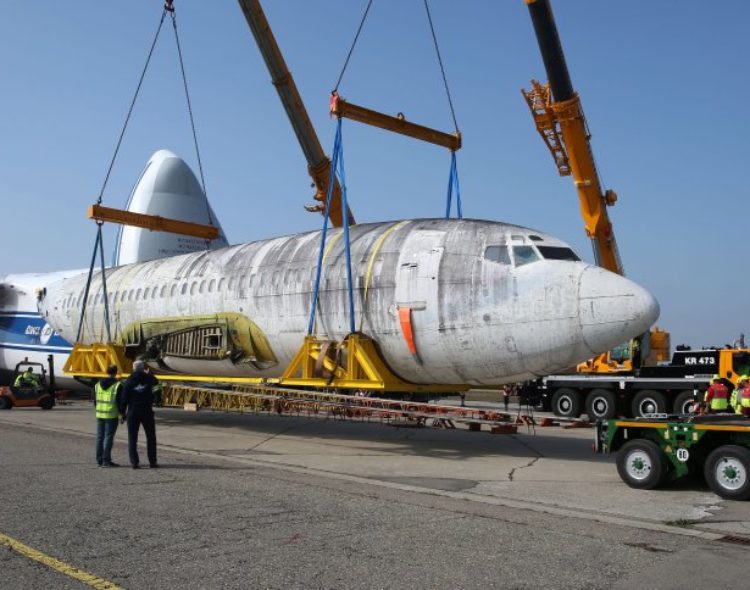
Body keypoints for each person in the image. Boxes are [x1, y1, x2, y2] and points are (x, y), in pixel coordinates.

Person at [119, 360, 161, 469]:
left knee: (132, 438)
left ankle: (134, 462)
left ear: (133, 368)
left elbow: (123, 399)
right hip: (147, 410)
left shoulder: (128, 381)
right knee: (151, 437)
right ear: (143, 368)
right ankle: (152, 462)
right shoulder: (150, 379)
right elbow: (158, 390)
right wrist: (157, 399)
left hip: (133, 411)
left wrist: (122, 413)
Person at [94, 365, 122, 467]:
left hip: (100, 414)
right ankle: (106, 460)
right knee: (108, 438)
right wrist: (123, 414)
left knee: (99, 437)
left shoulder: (97, 384)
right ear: (116, 372)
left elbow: (95, 401)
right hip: (111, 414)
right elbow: (120, 402)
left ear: (106, 371)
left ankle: (99, 459)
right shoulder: (117, 385)